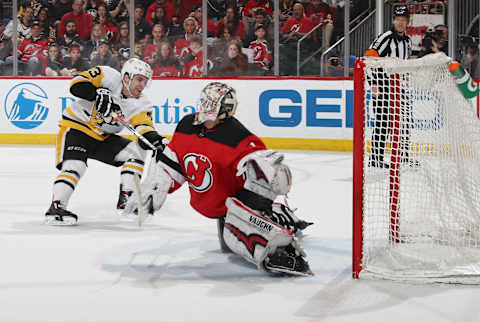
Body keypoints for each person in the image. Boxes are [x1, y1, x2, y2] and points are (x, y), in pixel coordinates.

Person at [126, 82, 313, 276]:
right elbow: (173, 165)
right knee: (229, 245)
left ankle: (278, 248)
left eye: (210, 102)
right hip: (209, 203)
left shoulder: (237, 136)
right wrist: (153, 190)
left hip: (233, 206)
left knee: (235, 242)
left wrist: (266, 185)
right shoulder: (186, 125)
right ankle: (279, 215)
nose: (205, 106)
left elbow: (265, 174)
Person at [45, 58, 167, 225]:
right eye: (139, 79)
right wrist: (97, 93)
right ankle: (56, 208)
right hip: (77, 128)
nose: (142, 85)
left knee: (136, 151)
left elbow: (143, 128)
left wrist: (156, 140)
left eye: (145, 81)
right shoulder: (108, 76)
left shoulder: (141, 103)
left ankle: (127, 199)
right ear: (126, 77)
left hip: (103, 138)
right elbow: (76, 84)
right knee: (75, 166)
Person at [364, 5, 417, 168]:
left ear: (408, 22)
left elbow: (405, 62)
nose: (400, 23)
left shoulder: (408, 41)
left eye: (403, 20)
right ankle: (376, 158)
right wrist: (373, 83)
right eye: (398, 20)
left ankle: (403, 154)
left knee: (406, 119)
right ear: (394, 20)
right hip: (382, 84)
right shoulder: (385, 38)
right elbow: (368, 59)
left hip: (398, 86)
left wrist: (406, 77)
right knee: (383, 121)